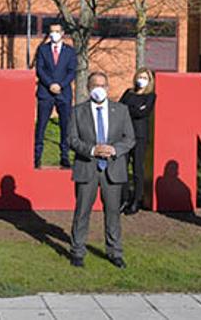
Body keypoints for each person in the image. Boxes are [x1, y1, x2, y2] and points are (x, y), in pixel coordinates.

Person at [66, 72, 135, 268]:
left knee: (113, 212)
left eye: (102, 85)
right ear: (88, 88)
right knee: (82, 212)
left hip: (113, 169)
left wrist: (114, 150)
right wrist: (92, 150)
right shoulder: (78, 111)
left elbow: (129, 139)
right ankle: (77, 251)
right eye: (95, 85)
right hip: (87, 167)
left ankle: (114, 252)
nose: (99, 88)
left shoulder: (121, 111)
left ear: (107, 88)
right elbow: (72, 139)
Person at [34, 21, 77, 168]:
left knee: (65, 126)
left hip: (63, 93)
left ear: (62, 33)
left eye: (57, 31)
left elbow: (72, 71)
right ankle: (37, 156)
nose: (54, 34)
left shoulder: (70, 51)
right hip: (46, 92)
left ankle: (64, 156)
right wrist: (50, 84)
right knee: (41, 125)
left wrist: (60, 85)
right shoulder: (43, 49)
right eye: (52, 31)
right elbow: (40, 69)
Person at [119, 68, 156, 215]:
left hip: (140, 136)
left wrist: (130, 109)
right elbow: (120, 109)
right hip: (124, 135)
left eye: (145, 77)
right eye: (140, 76)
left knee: (137, 169)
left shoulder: (151, 96)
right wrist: (134, 109)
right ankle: (124, 199)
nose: (141, 79)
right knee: (122, 167)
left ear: (149, 81)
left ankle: (136, 201)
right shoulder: (129, 93)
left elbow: (143, 113)